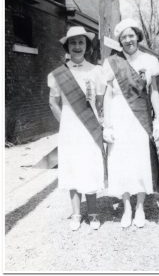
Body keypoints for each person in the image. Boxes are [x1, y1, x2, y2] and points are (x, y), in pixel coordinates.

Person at [101, 18, 159, 229]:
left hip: (141, 118)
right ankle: (126, 207)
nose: (128, 40)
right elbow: (108, 95)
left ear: (137, 36)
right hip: (119, 116)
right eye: (123, 37)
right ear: (119, 40)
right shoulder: (112, 63)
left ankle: (139, 208)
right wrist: (107, 125)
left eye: (131, 35)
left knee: (140, 161)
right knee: (121, 161)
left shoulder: (148, 60)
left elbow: (154, 91)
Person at [47, 26, 105, 231]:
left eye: (81, 42)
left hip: (90, 127)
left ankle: (94, 213)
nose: (77, 46)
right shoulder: (58, 74)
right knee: (72, 167)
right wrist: (65, 123)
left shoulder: (96, 71)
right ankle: (76, 214)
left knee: (89, 165)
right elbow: (53, 102)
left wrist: (100, 122)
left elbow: (100, 102)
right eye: (73, 43)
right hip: (70, 128)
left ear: (87, 46)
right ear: (67, 46)